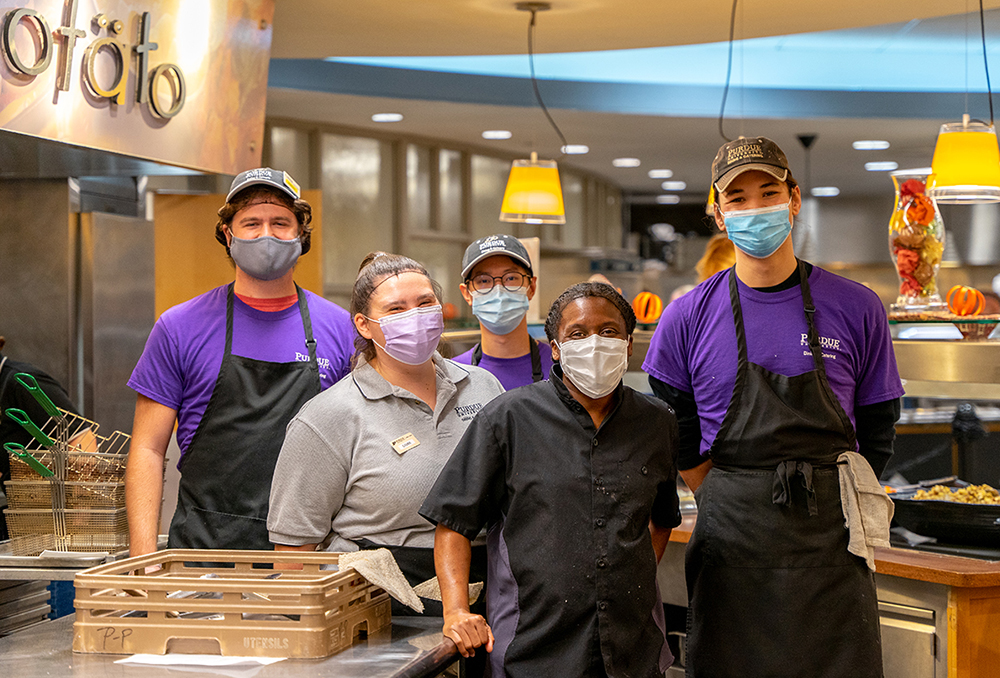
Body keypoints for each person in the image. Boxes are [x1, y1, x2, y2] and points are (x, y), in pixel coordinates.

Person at [643, 137, 904, 677]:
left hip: (833, 542)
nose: (755, 207)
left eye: (768, 192)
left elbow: (879, 425)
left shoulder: (857, 306)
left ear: (794, 198)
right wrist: (723, 489)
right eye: (737, 198)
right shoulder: (686, 316)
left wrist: (839, 494)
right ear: (717, 212)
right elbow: (673, 422)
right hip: (731, 540)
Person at [422, 282, 681, 678]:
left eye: (609, 331)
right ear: (556, 348)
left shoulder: (657, 421)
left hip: (633, 648)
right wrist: (456, 610)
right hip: (534, 647)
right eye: (577, 334)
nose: (594, 343)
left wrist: (623, 572)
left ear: (629, 344)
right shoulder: (507, 418)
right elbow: (453, 522)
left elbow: (662, 518)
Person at [125, 168, 355, 556]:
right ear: (228, 236)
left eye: (281, 222)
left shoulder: (343, 328)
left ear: (300, 235)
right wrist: (144, 556)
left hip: (313, 555)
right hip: (204, 552)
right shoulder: (179, 326)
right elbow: (148, 449)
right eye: (251, 223)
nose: (266, 234)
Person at [267, 252, 504, 617]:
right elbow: (294, 559)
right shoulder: (328, 416)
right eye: (396, 309)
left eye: (425, 303)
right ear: (364, 325)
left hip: (489, 593)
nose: (415, 316)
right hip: (379, 608)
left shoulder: (483, 387)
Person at [0, 336, 81, 541]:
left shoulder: (22, 382)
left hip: (53, 520)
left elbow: (81, 440)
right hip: (19, 516)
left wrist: (80, 510)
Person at [451, 234, 553, 390]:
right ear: (467, 294)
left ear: (531, 288)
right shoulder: (453, 374)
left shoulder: (561, 368)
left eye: (511, 278)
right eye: (484, 280)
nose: (498, 290)